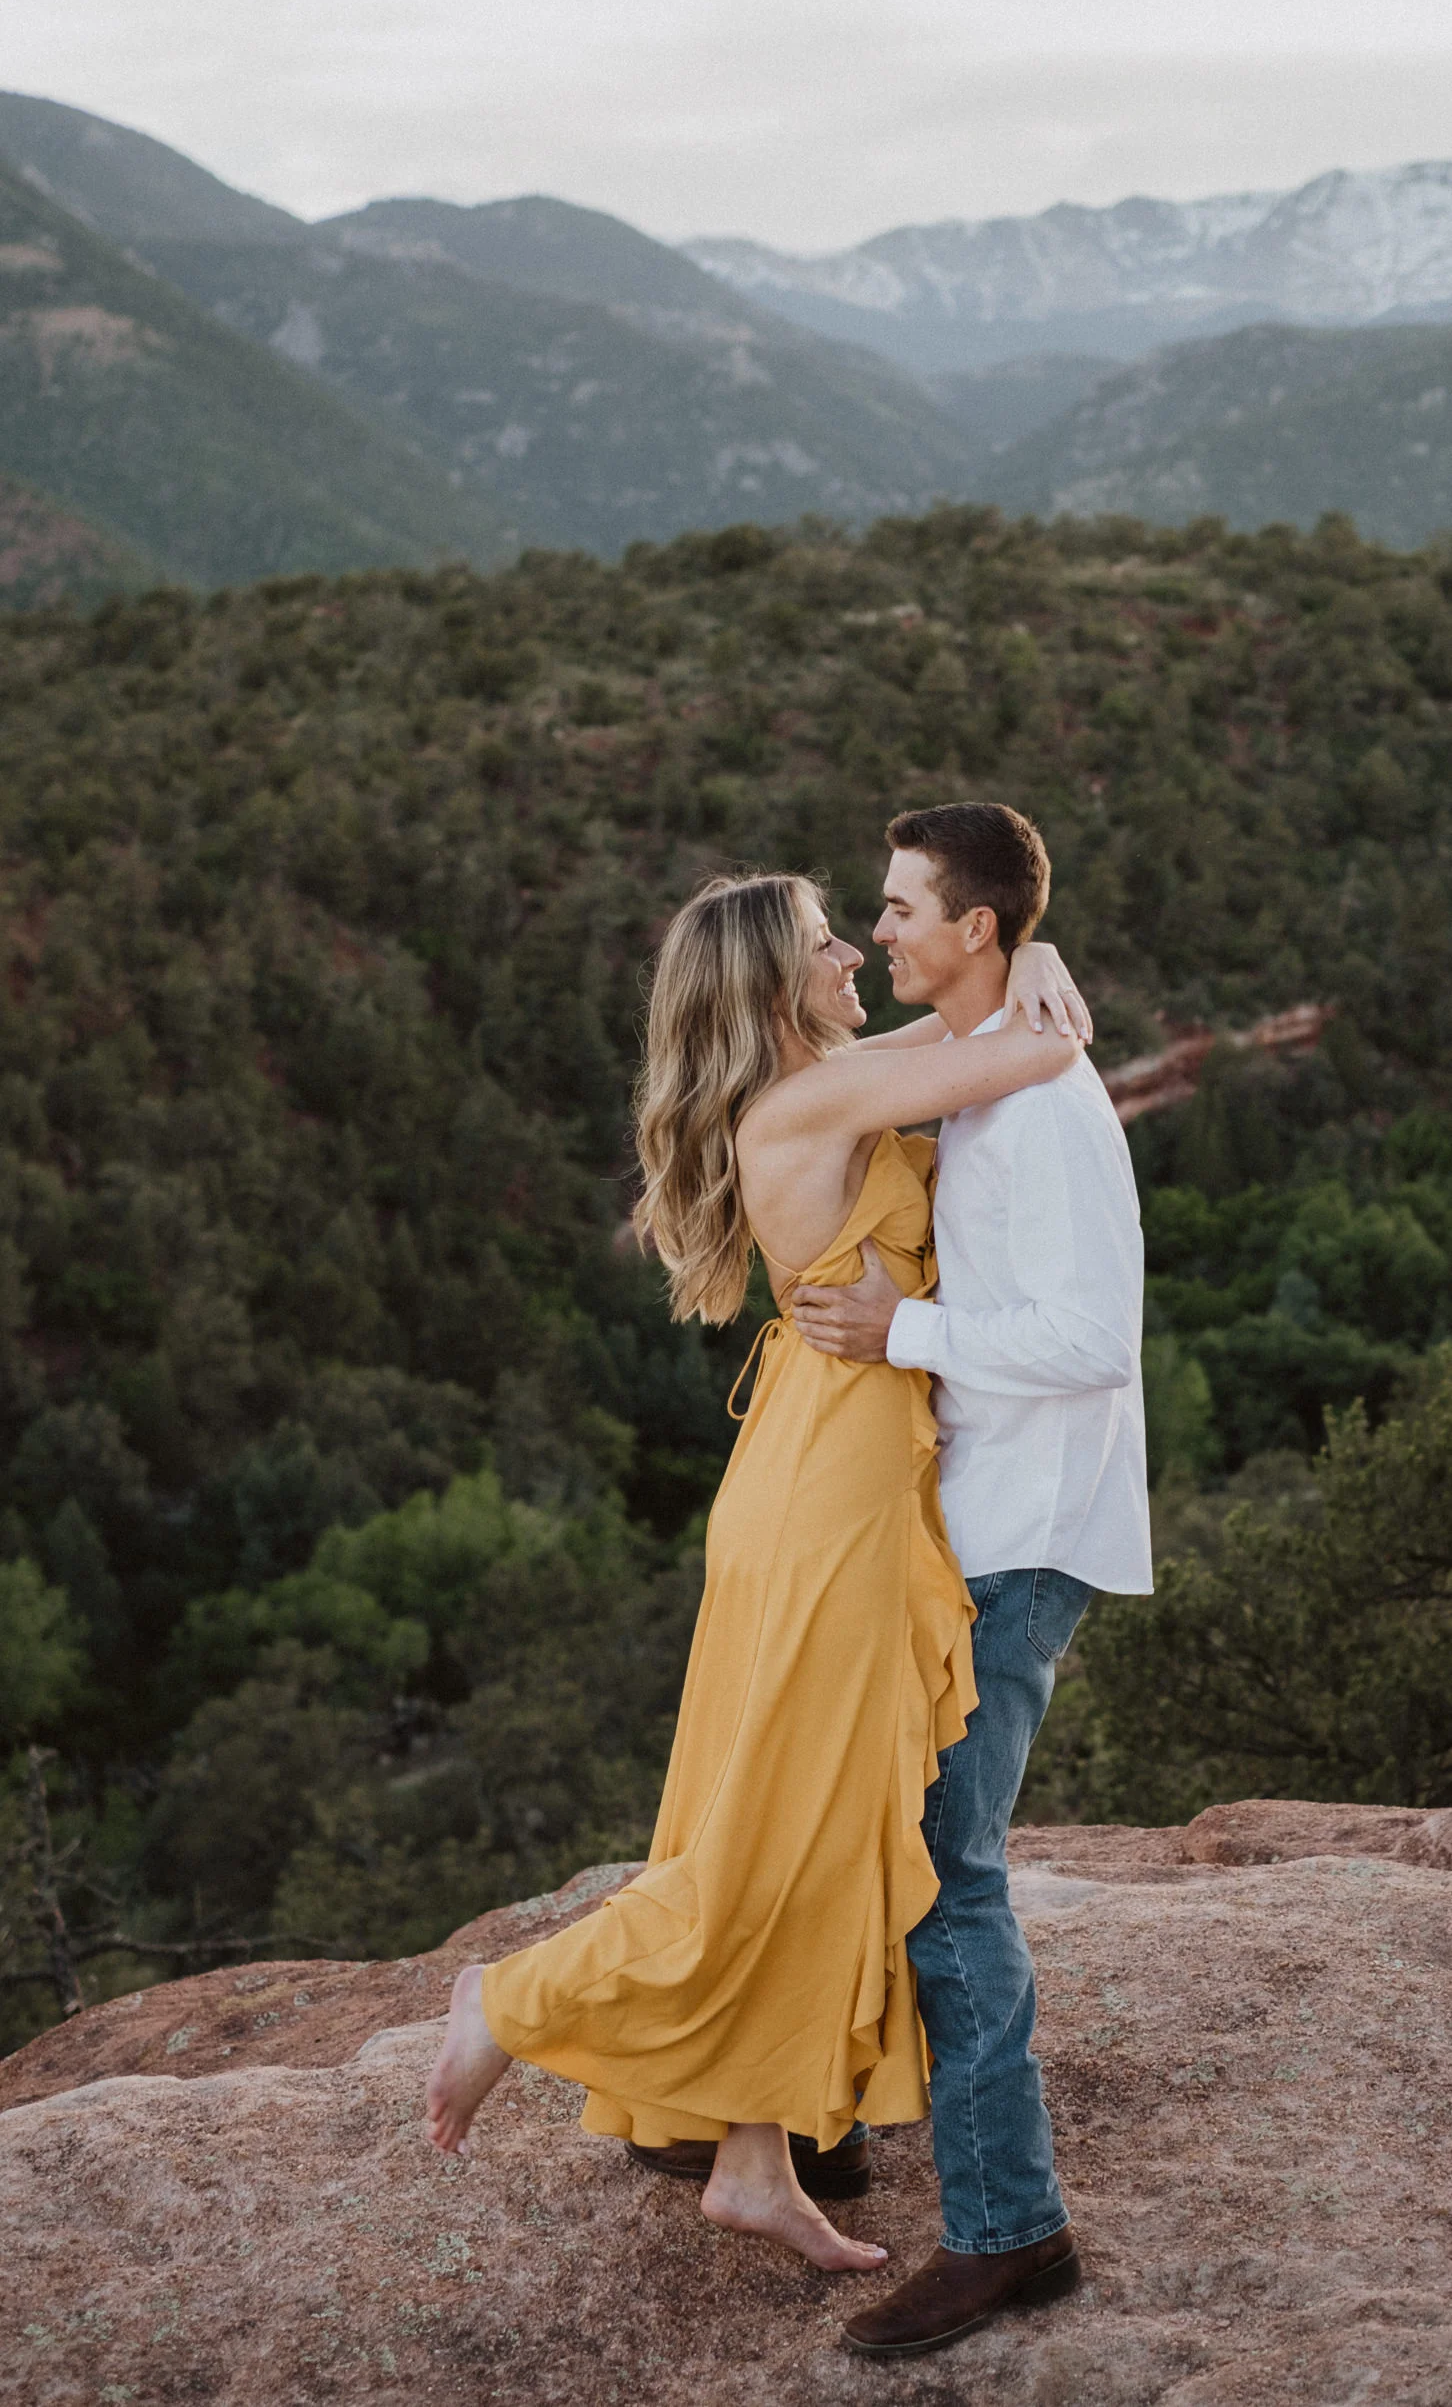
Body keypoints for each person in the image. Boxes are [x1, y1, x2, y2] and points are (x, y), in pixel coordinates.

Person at [422, 867, 1091, 2276]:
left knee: (825, 1824)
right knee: (774, 1835)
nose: (855, 952)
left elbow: (966, 1032)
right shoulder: (806, 1104)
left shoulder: (826, 1079)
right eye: (823, 942)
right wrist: (1025, 962)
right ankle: (510, 2000)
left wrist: (1024, 958)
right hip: (831, 1493)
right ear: (770, 989)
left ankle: (750, 2157)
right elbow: (1028, 1045)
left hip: (824, 1461)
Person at [788, 802, 1151, 2357]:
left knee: (954, 1872)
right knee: (892, 1833)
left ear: (979, 928)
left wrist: (903, 1335)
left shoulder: (1050, 1110)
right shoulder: (994, 1072)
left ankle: (1013, 2233)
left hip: (1022, 1544)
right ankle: (815, 2128)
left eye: (903, 908)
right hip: (972, 1524)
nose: (882, 932)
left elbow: (1092, 1344)